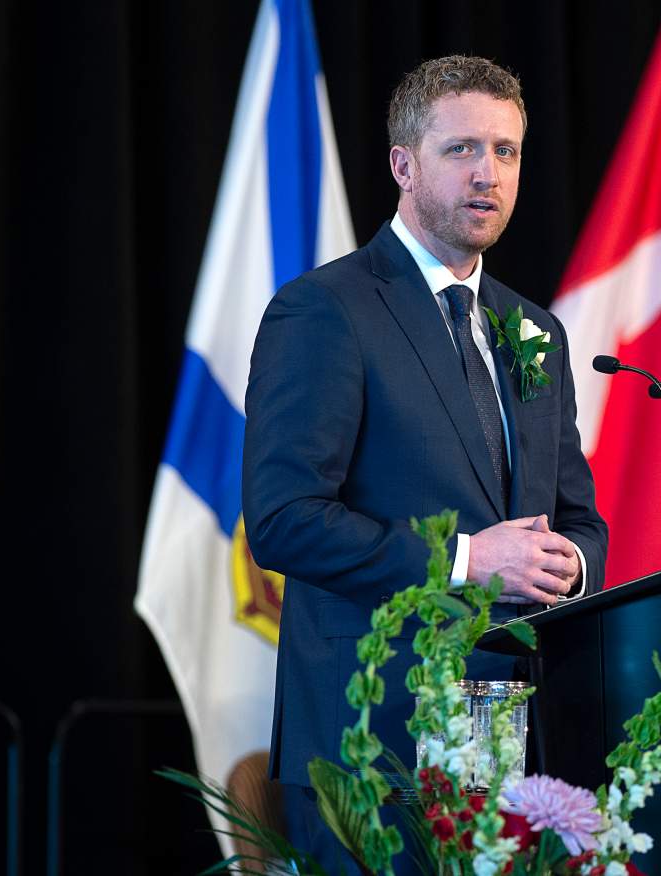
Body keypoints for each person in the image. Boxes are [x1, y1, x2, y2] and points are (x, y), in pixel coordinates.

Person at [242, 55, 608, 871]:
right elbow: (283, 520)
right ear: (403, 165)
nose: (489, 173)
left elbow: (578, 518)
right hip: (372, 747)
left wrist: (569, 564)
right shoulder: (326, 310)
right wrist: (470, 560)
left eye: (508, 152)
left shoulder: (532, 328)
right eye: (463, 149)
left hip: (517, 749)